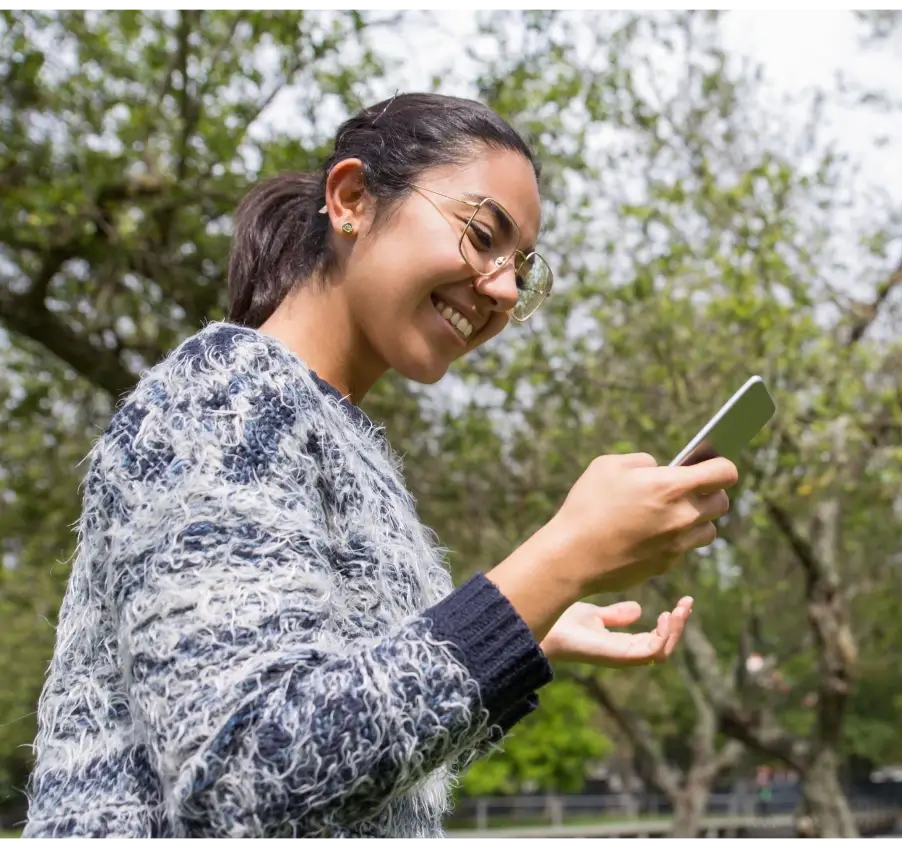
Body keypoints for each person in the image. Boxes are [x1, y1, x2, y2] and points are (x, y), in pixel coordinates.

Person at [22, 92, 738, 840]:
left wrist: (528, 628)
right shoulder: (223, 397)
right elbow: (246, 779)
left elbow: (361, 778)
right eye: (482, 233)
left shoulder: (344, 443)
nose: (501, 287)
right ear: (353, 198)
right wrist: (559, 561)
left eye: (521, 269)